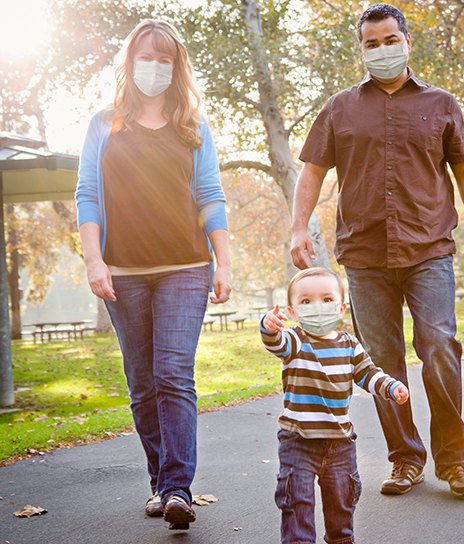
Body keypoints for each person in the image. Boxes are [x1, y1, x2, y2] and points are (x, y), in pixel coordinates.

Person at [290, 3, 464, 499]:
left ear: (406, 41)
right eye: (370, 43)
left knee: (440, 349)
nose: (380, 50)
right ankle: (405, 459)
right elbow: (313, 171)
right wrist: (299, 227)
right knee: (382, 362)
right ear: (361, 48)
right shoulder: (340, 107)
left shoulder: (442, 104)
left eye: (388, 40)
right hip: (364, 256)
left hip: (429, 249)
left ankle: (454, 462)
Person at [75, 19, 231, 531]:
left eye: (166, 60)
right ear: (129, 61)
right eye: (147, 57)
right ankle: (160, 483)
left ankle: (177, 488)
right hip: (123, 271)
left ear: (177, 67)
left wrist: (223, 261)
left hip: (186, 267)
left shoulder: (193, 125)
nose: (156, 68)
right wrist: (94, 260)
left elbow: (209, 195)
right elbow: (88, 196)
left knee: (171, 372)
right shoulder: (103, 123)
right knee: (143, 383)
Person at [260, 267, 409, 544]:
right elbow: (276, 343)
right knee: (297, 501)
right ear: (293, 312)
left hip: (340, 442)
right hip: (299, 441)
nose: (317, 306)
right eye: (306, 301)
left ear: (341, 308)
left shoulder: (349, 345)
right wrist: (268, 326)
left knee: (342, 502)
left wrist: (391, 386)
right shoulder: (295, 340)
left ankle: (341, 539)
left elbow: (368, 373)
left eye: (327, 299)